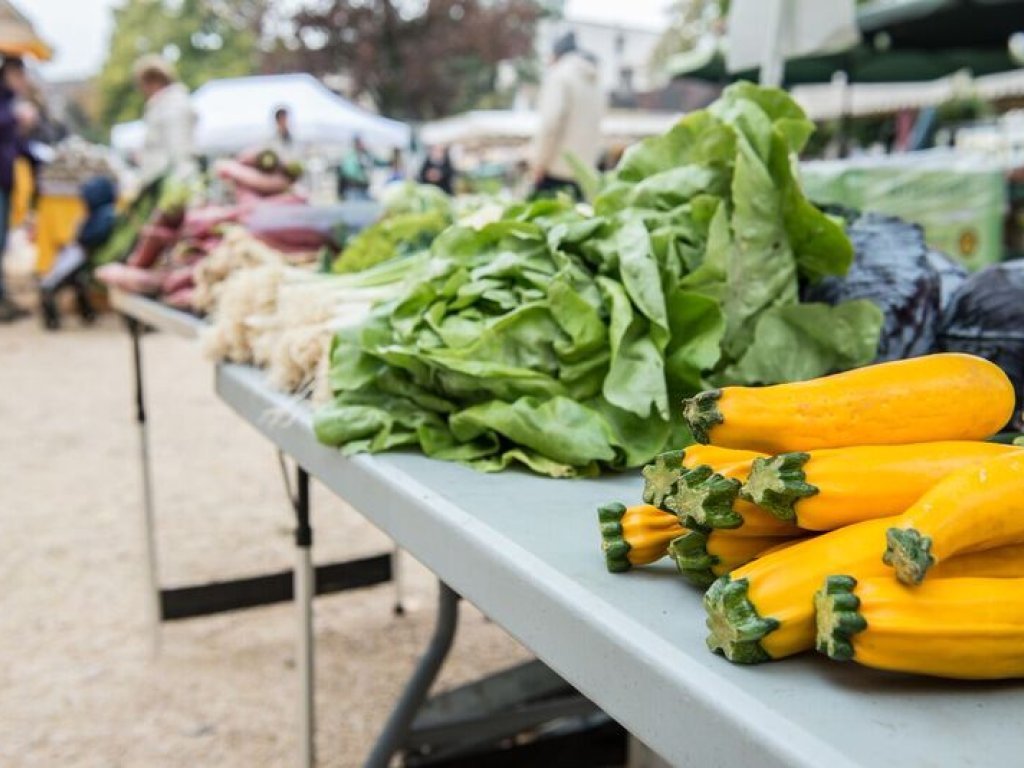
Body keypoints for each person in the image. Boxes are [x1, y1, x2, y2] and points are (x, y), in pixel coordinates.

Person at [530, 32, 603, 200]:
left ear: (556, 54)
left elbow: (550, 124)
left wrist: (539, 164)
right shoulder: (596, 82)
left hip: (556, 171)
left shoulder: (560, 76)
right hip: (584, 174)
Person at [0, 57, 37, 322]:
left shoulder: (10, 101)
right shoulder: (7, 105)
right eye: (19, 75)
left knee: (3, 240)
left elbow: (17, 145)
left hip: (6, 177)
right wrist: (16, 117)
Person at [133, 54, 196, 186]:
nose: (142, 90)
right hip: (165, 181)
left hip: (170, 183)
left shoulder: (172, 106)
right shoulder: (164, 105)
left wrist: (183, 187)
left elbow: (179, 150)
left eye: (142, 84)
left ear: (154, 80)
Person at [337, 135, 374, 200]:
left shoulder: (365, 155)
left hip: (363, 189)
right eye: (359, 143)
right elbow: (349, 172)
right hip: (354, 189)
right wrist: (362, 178)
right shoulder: (350, 157)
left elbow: (376, 161)